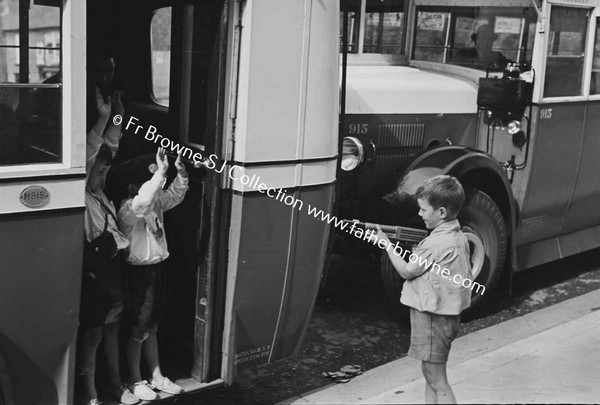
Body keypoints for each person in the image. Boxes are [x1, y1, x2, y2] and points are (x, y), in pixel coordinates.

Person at [372, 175, 472, 404]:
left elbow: (407, 271)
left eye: (424, 210)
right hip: (442, 317)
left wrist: (386, 244)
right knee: (430, 375)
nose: (420, 214)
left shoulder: (435, 243)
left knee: (438, 380)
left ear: (442, 212)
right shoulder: (457, 236)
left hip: (433, 319)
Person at [77, 86, 139, 405]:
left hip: (113, 273)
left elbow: (109, 149)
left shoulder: (100, 195)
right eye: (98, 172)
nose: (102, 175)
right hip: (96, 275)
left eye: (104, 172)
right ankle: (88, 396)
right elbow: (93, 154)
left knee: (112, 331)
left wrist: (118, 116)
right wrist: (103, 120)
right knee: (91, 337)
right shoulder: (83, 196)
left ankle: (115, 386)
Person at [116, 147, 188, 401]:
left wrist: (179, 175)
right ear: (131, 187)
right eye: (149, 183)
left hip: (157, 270)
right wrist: (159, 174)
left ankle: (157, 375)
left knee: (152, 325)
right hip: (139, 275)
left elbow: (175, 196)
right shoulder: (128, 209)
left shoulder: (154, 204)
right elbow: (144, 201)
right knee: (138, 327)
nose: (156, 189)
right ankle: (135, 379)